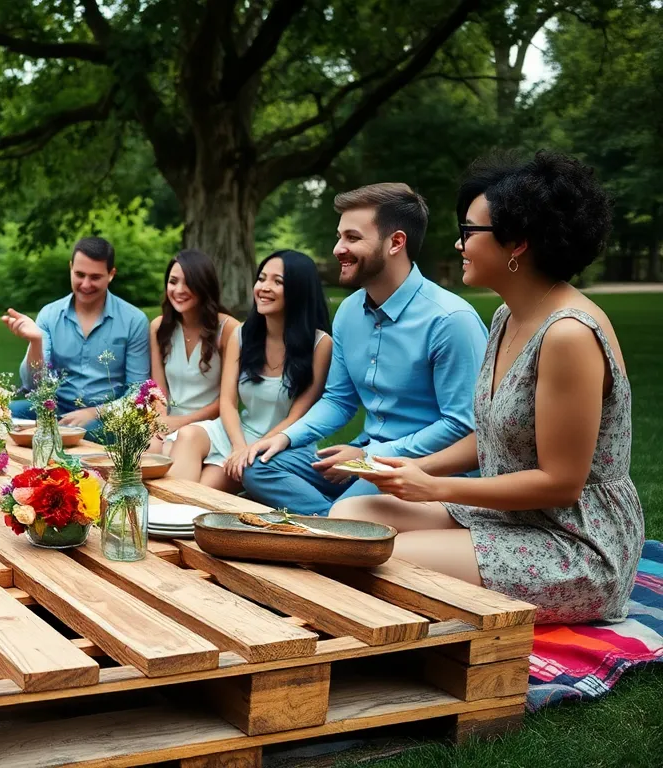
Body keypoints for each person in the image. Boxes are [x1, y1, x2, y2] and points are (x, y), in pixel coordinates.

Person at [333, 152, 644, 623]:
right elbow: (496, 434)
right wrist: (402, 467)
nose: (459, 245)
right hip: (514, 519)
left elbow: (561, 484)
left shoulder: (568, 335)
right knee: (350, 519)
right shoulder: (505, 316)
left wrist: (436, 487)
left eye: (469, 232)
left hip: (574, 541)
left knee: (380, 559)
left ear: (516, 243)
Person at [241, 183, 488, 516]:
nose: (337, 248)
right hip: (363, 453)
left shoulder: (450, 320)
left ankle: (334, 526)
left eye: (352, 238)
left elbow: (460, 425)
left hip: (422, 469)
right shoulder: (348, 312)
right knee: (259, 464)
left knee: (349, 509)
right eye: (340, 236)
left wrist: (368, 460)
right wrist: (286, 437)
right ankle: (333, 526)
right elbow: (339, 401)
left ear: (395, 243)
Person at [168, 251, 332, 490]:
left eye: (278, 282)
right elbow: (228, 402)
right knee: (188, 436)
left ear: (299, 289)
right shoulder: (242, 335)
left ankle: (175, 518)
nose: (264, 287)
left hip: (281, 441)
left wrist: (249, 451)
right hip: (237, 433)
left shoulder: (320, 344)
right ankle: (163, 517)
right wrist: (238, 447)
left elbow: (297, 416)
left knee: (205, 488)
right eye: (262, 278)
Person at [2, 237, 150, 440]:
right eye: (79, 275)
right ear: (71, 268)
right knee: (5, 415)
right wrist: (35, 342)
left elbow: (137, 393)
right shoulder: (49, 315)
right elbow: (32, 386)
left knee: (86, 435)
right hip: (55, 408)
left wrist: (93, 413)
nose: (86, 284)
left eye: (95, 277)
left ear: (111, 275)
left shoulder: (134, 320)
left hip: (107, 415)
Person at [147, 250, 238, 453]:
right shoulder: (158, 327)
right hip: (169, 422)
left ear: (204, 285)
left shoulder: (228, 328)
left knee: (169, 453)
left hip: (210, 425)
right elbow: (158, 390)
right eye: (173, 282)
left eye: (188, 282)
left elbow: (228, 399)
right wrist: (161, 421)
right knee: (146, 452)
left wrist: (181, 422)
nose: (179, 290)